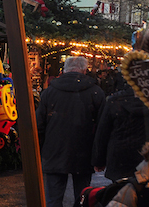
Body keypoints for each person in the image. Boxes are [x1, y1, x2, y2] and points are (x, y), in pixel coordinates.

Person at [35, 56, 105, 207]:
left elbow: (39, 124)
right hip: (84, 152)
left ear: (64, 70)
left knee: (54, 198)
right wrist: (99, 156)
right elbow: (102, 127)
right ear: (84, 70)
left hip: (54, 151)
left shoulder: (50, 91)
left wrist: (40, 150)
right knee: (82, 197)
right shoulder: (95, 92)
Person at [92, 75, 149, 182]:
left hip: (120, 158)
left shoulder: (115, 101)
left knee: (120, 194)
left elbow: (103, 133)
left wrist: (98, 160)